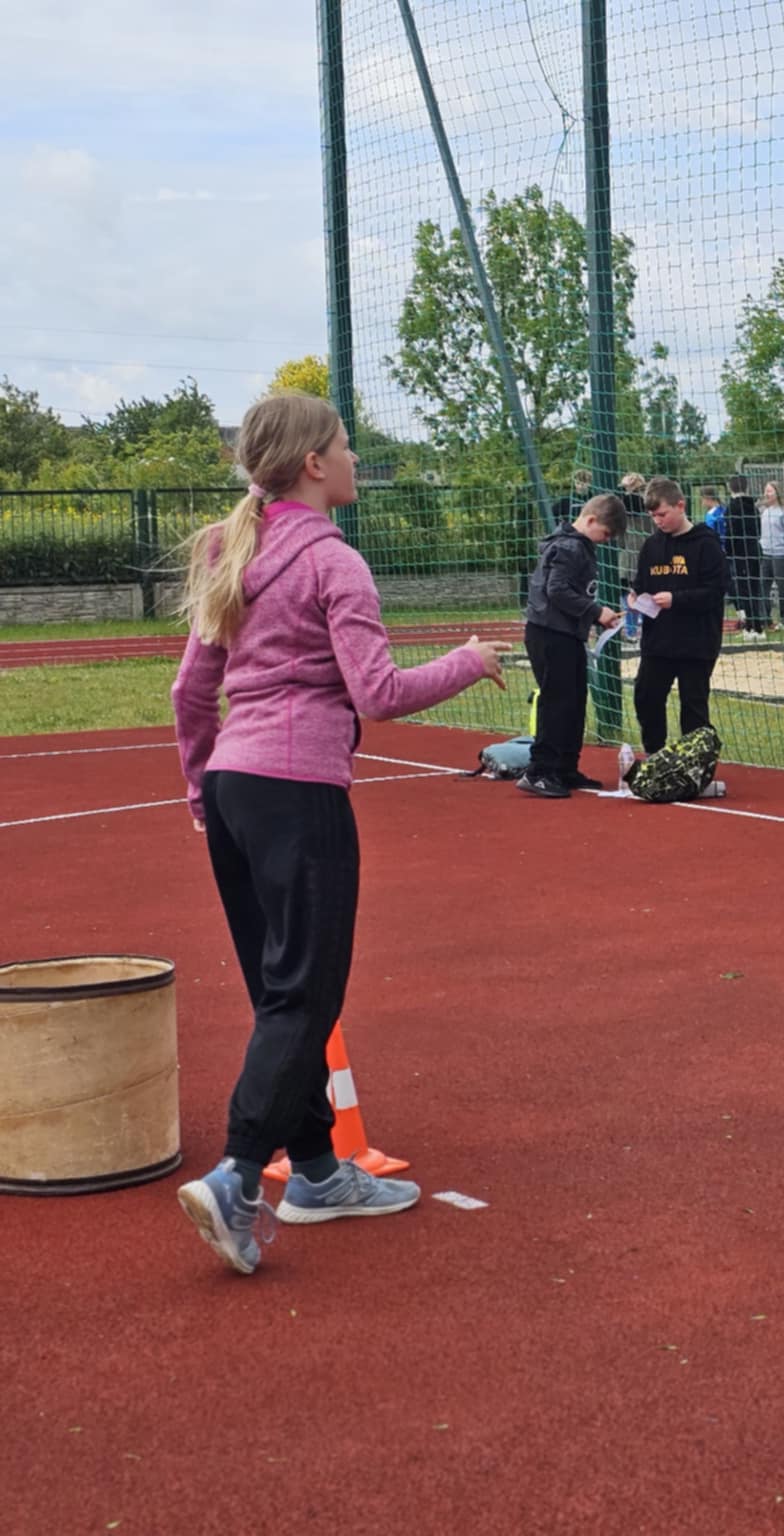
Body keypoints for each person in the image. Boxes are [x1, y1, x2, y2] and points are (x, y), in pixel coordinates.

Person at [169, 391, 513, 1274]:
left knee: (279, 991)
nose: (357, 459)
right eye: (348, 446)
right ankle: (239, 1173)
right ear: (315, 464)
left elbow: (190, 692)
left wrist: (202, 791)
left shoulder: (229, 549)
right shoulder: (333, 561)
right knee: (306, 995)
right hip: (299, 791)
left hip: (234, 792)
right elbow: (379, 693)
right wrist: (469, 661)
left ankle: (318, 1170)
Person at [519, 494, 625, 799]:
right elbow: (557, 590)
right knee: (557, 702)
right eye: (605, 533)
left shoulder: (579, 546)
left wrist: (592, 615)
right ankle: (540, 770)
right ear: (590, 520)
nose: (606, 540)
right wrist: (596, 612)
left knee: (575, 700)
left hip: (566, 634)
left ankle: (565, 767)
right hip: (549, 634)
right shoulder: (569, 547)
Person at [630, 475, 727, 753]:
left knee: (693, 707)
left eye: (663, 514)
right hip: (658, 641)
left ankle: (695, 762)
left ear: (681, 505)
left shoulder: (706, 544)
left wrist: (677, 599)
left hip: (696, 642)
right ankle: (655, 754)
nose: (658, 521)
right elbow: (641, 584)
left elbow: (716, 590)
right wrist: (635, 597)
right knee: (646, 696)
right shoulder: (651, 546)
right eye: (653, 516)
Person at [724, 473, 766, 636]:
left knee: (744, 590)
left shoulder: (733, 507)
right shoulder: (753, 507)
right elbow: (758, 530)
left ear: (730, 487)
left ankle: (751, 627)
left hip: (740, 553)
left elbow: (731, 534)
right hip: (754, 550)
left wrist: (728, 552)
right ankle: (757, 626)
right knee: (754, 589)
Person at [760, 479, 784, 631]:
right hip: (766, 554)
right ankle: (764, 618)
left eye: (770, 491)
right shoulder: (765, 512)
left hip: (781, 555)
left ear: (777, 492)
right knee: (762, 586)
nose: (766, 493)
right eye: (766, 490)